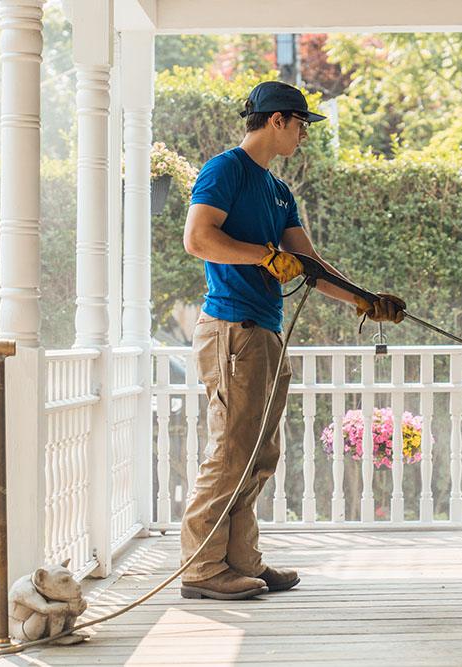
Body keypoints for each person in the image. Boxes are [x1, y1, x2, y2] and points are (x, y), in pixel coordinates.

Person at [179, 81, 405, 600]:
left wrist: (364, 299)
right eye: (301, 123)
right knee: (231, 452)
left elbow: (309, 265)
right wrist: (262, 255)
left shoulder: (279, 191)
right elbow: (198, 238)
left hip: (265, 332)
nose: (305, 133)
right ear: (277, 120)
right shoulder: (226, 169)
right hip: (233, 330)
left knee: (259, 453)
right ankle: (200, 569)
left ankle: (241, 561)